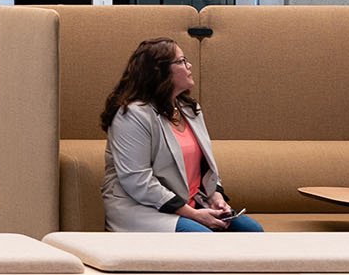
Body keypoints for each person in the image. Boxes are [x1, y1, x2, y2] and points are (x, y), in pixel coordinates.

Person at [100, 37, 261, 232]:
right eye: (182, 61)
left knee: (252, 232)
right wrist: (193, 215)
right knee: (203, 238)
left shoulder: (189, 109)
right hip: (143, 208)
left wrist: (216, 198)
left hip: (190, 202)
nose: (189, 66)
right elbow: (138, 181)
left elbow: (207, 167)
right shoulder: (133, 114)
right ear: (159, 71)